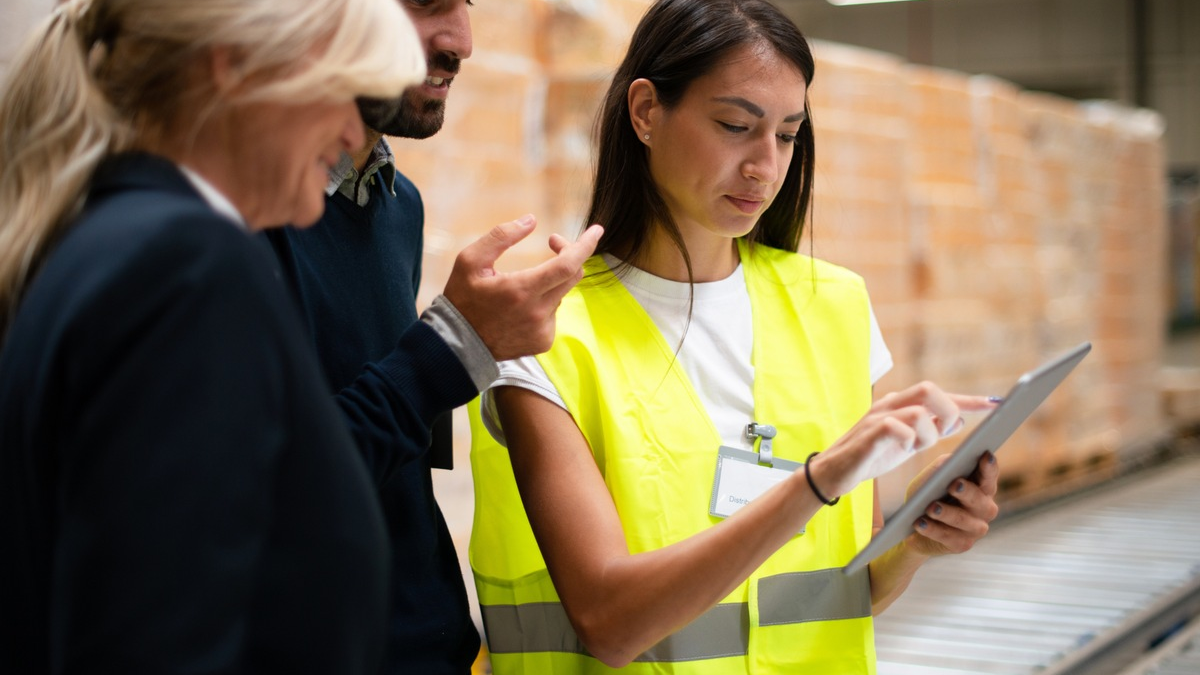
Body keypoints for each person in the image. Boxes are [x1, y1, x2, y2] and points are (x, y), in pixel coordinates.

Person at [467, 0, 1001, 672]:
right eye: (735, 126)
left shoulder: (834, 306)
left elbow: (847, 591)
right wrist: (818, 480)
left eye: (785, 135)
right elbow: (608, 621)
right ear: (645, 113)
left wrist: (916, 542)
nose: (764, 166)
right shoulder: (545, 331)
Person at [0, 0, 426, 672]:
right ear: (234, 66)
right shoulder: (188, 266)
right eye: (340, 87)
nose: (353, 127)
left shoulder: (112, 239)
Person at [262, 1, 602, 673]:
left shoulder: (396, 204)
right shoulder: (237, 209)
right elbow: (270, 491)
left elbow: (386, 466)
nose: (462, 43)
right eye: (426, 2)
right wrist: (456, 344)